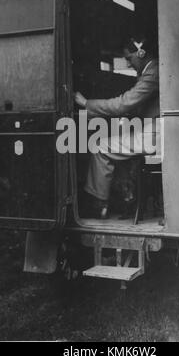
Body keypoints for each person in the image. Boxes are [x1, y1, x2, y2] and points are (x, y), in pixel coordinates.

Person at [74, 36, 160, 219]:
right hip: (153, 131)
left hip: (155, 135)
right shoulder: (151, 70)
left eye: (129, 58)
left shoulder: (153, 72)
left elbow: (124, 104)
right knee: (116, 143)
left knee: (100, 147)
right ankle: (126, 197)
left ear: (141, 53)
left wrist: (86, 103)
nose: (129, 64)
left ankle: (99, 205)